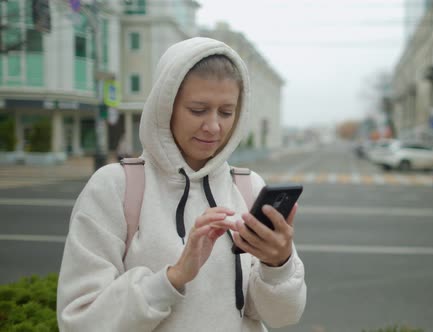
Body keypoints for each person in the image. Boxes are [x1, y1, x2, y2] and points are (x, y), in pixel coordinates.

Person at [57, 38, 306, 331]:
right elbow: (80, 320)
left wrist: (277, 265)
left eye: (226, 112)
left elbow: (281, 317)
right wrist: (173, 277)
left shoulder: (247, 186)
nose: (214, 126)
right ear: (166, 107)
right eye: (198, 110)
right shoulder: (115, 187)